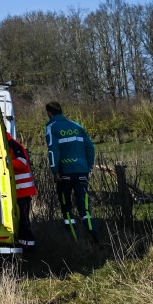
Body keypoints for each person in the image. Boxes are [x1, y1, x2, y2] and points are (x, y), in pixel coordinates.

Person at [44, 101, 96, 238]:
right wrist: (88, 167)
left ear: (49, 113)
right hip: (82, 171)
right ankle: (94, 237)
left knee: (67, 208)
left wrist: (55, 171)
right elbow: (90, 148)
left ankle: (74, 239)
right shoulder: (77, 126)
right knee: (85, 208)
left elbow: (53, 151)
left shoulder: (52, 127)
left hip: (64, 173)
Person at [5, 130, 39, 252]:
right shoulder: (8, 144)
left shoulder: (12, 144)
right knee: (20, 220)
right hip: (17, 191)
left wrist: (6, 162)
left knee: (24, 220)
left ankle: (29, 246)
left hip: (23, 190)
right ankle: (24, 244)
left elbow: (22, 162)